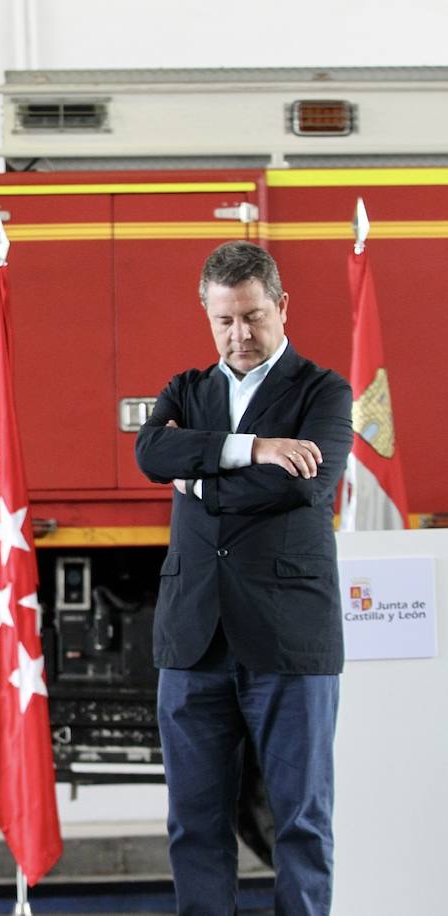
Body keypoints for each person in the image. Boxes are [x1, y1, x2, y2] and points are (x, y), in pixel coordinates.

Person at [135, 241, 352, 915]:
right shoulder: (186, 390)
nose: (240, 335)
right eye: (225, 320)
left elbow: (305, 490)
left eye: (254, 317)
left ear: (282, 308)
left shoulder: (324, 392)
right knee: (194, 827)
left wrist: (198, 482)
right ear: (207, 312)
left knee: (302, 824)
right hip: (193, 639)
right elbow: (149, 453)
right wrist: (251, 451)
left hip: (290, 640)